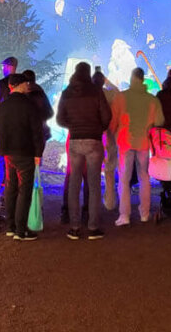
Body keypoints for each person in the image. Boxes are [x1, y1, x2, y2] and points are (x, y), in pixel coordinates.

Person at [56, 61, 112, 240]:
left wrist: (73, 126)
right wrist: (98, 127)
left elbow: (60, 119)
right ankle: (93, 227)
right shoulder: (96, 91)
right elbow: (107, 115)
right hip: (94, 141)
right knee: (94, 184)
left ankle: (74, 227)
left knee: (74, 183)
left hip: (75, 141)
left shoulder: (67, 92)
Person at [0, 71, 44, 241]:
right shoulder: (29, 105)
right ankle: (21, 230)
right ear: (21, 85)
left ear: (10, 86)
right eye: (26, 84)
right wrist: (38, 153)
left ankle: (10, 226)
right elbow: (37, 132)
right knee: (24, 190)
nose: (27, 86)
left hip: (7, 152)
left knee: (11, 187)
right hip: (24, 151)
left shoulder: (3, 105)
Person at [110, 67, 164, 225]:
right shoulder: (152, 100)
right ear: (143, 79)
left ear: (132, 77)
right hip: (144, 142)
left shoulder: (121, 97)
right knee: (144, 177)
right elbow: (160, 121)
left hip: (125, 142)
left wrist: (114, 135)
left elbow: (113, 120)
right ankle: (144, 213)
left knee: (124, 179)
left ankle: (124, 215)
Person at [0, 55, 18, 197]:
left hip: (2, 131)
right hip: (17, 133)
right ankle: (13, 193)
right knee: (15, 164)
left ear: (9, 67)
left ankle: (4, 194)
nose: (3, 69)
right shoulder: (22, 84)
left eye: (4, 66)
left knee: (2, 164)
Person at [93, 68, 121, 211]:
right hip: (110, 138)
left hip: (94, 139)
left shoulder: (90, 96)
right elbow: (117, 91)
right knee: (109, 173)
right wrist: (106, 80)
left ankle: (93, 207)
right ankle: (110, 203)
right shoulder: (111, 94)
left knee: (93, 175)